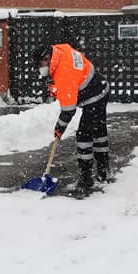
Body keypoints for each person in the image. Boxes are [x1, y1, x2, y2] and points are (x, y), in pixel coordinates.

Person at [33, 43, 110, 190]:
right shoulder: (60, 51)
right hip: (101, 88)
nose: (39, 68)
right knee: (99, 132)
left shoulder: (64, 73)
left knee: (84, 136)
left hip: (93, 97)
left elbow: (68, 110)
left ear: (47, 57)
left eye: (40, 64)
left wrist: (59, 128)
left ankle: (86, 179)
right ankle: (104, 172)